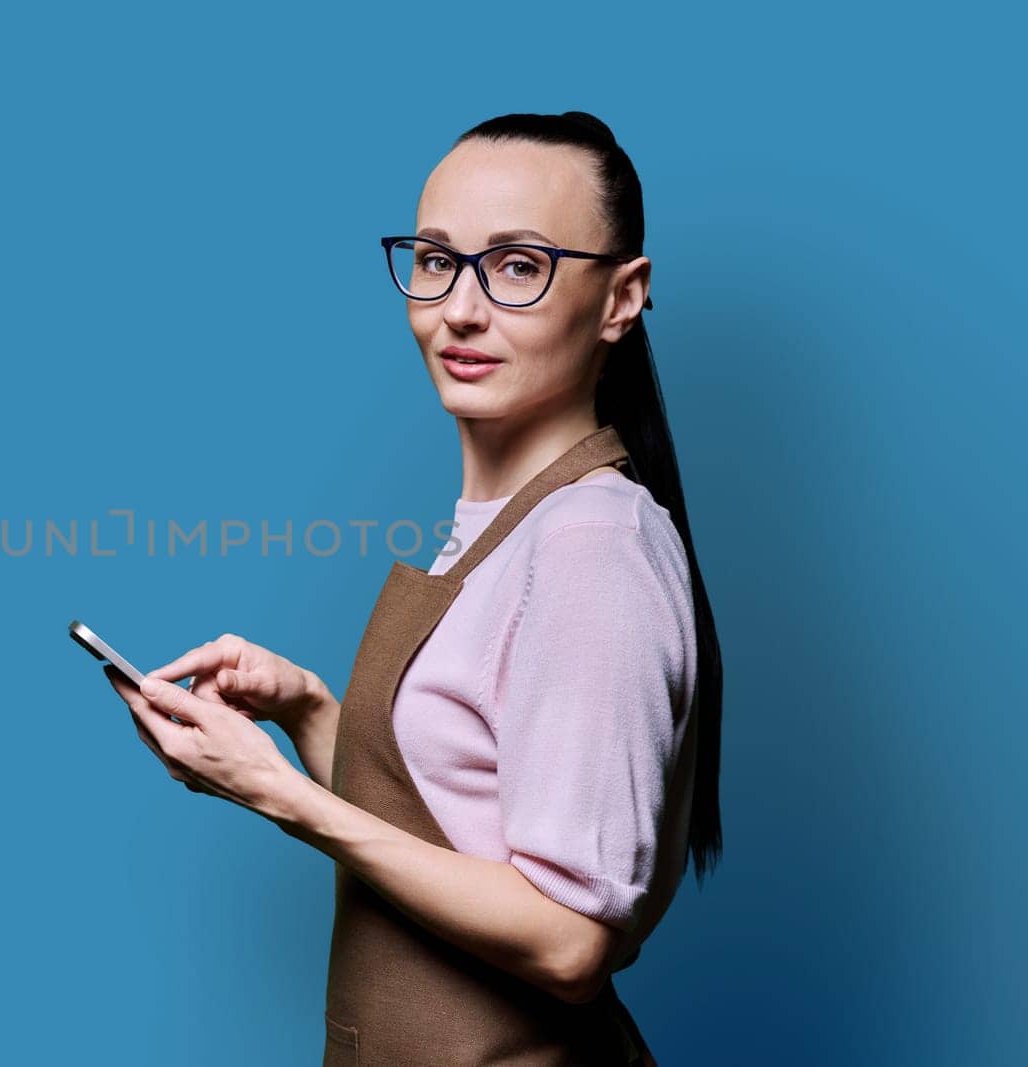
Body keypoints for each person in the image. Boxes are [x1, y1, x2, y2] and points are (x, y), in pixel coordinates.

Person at [106, 110, 724, 1066]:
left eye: (520, 266)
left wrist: (279, 794)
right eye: (436, 260)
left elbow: (570, 940)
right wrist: (316, 712)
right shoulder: (507, 525)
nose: (459, 309)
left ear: (620, 299)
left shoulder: (590, 545)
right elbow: (466, 823)